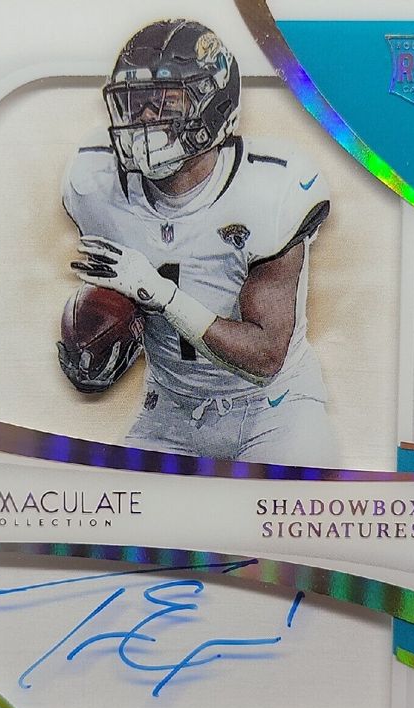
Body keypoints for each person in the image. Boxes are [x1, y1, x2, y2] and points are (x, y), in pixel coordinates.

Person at [59, 18, 337, 466]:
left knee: (293, 507)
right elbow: (120, 298)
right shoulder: (95, 181)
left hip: (274, 409)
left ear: (216, 106)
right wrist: (103, 336)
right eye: (136, 101)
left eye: (167, 100)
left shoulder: (269, 188)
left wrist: (163, 296)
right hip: (169, 409)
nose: (146, 118)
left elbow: (265, 357)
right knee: (122, 507)